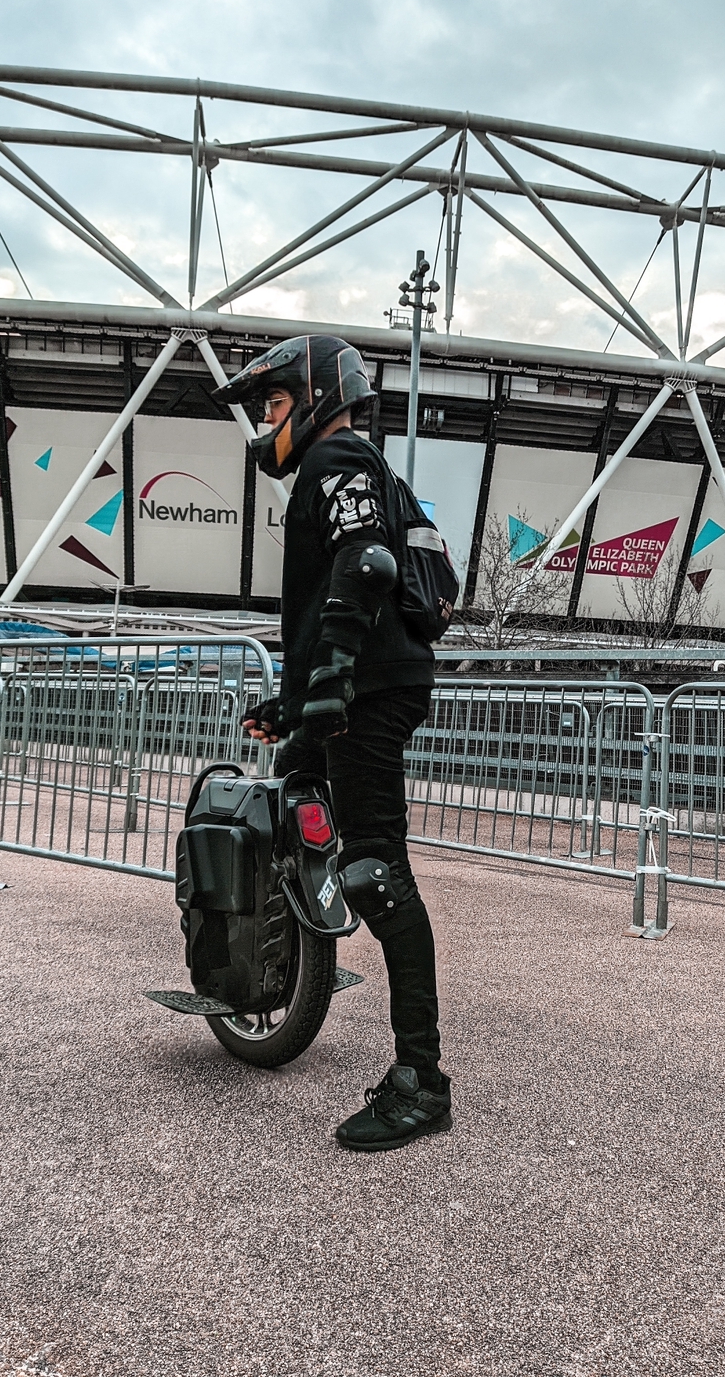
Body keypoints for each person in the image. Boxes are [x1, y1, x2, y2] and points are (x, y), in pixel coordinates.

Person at [215, 334, 451, 1152]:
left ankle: (420, 1082)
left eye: (276, 403)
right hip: (360, 689)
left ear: (315, 396)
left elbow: (369, 564)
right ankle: (279, 975)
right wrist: (295, 705)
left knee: (375, 873)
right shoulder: (355, 466)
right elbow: (337, 601)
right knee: (294, 795)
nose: (268, 421)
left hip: (370, 695)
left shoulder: (335, 456)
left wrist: (331, 684)